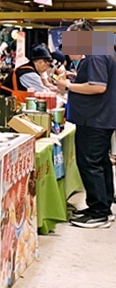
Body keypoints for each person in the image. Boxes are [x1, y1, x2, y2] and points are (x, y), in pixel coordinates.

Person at [56, 20, 116, 228]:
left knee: (90, 163)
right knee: (101, 162)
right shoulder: (102, 49)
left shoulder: (95, 55)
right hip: (102, 117)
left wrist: (68, 85)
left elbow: (97, 87)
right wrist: (75, 77)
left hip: (95, 119)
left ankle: (99, 211)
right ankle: (103, 205)